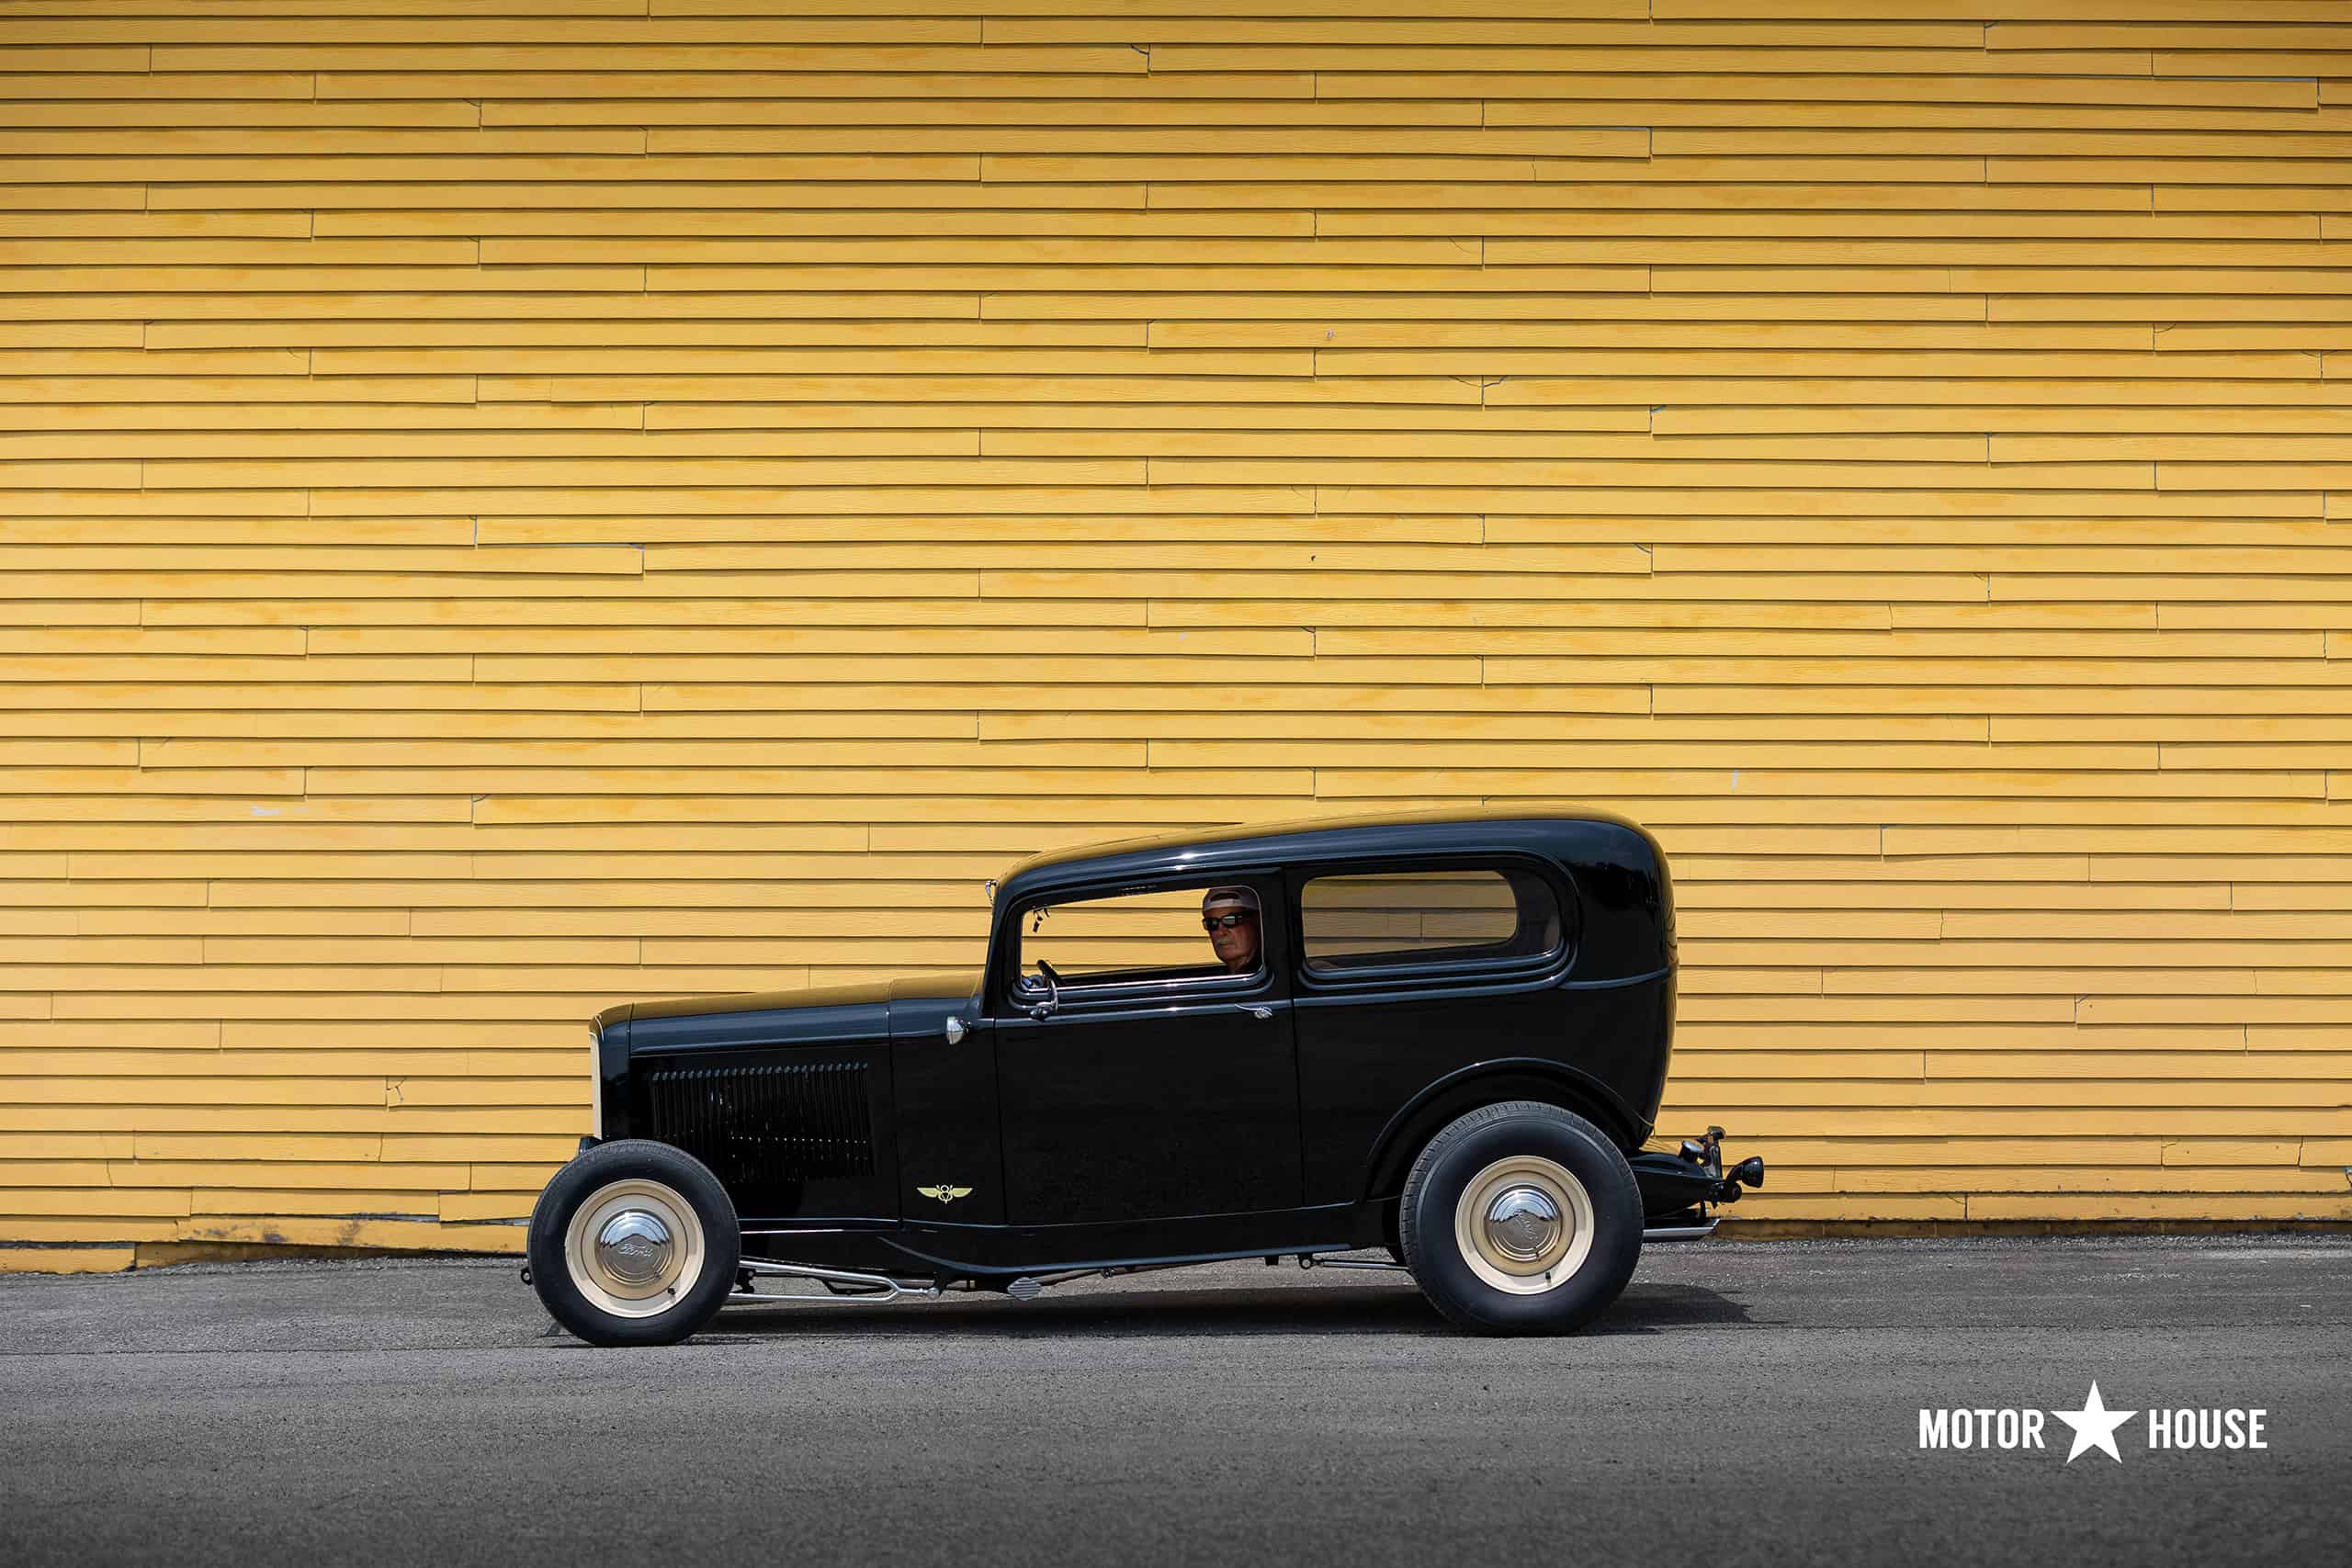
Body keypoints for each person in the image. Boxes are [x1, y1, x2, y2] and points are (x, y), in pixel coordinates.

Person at [1201, 886, 1261, 974]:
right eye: (1211, 923)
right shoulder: (1225, 978)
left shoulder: (1268, 977)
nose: (1220, 932)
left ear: (1257, 921)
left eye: (1230, 920)